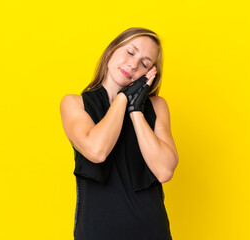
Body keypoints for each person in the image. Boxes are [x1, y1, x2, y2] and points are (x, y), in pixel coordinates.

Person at [60, 27, 179, 240]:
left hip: (151, 231)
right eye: (130, 52)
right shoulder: (75, 104)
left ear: (149, 74)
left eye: (144, 63)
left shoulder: (157, 106)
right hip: (97, 232)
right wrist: (123, 99)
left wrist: (135, 110)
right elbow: (97, 151)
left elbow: (164, 171)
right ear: (111, 50)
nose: (133, 64)